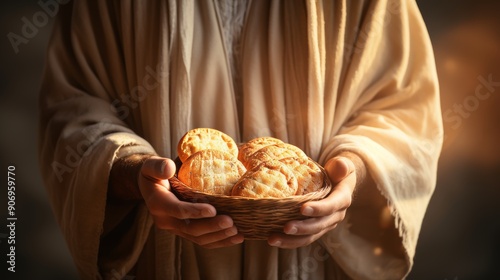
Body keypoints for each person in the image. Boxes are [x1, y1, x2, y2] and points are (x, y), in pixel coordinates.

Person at [38, 0, 443, 279]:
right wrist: (132, 173)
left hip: (313, 265)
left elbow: (406, 110)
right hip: (167, 262)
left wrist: (352, 169)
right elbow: (70, 109)